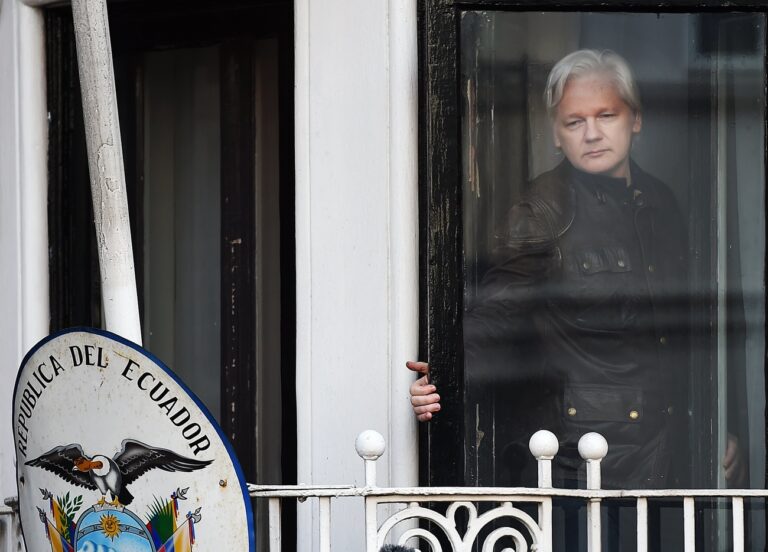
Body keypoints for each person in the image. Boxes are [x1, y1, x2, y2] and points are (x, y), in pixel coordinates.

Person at [408, 49, 745, 492]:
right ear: (556, 133)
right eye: (574, 122)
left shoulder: (662, 202)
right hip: (580, 467)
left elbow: (697, 333)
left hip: (671, 458)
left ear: (635, 119)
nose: (592, 133)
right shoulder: (541, 211)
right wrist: (441, 377)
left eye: (606, 115)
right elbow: (496, 319)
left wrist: (719, 426)